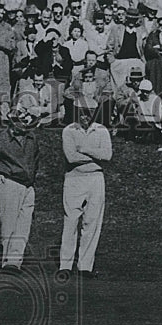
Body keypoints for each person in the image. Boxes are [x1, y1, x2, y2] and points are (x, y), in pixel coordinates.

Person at [0, 104, 40, 271]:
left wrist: (32, 177)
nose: (26, 124)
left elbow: (36, 159)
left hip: (28, 186)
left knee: (24, 225)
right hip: (10, 183)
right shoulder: (0, 140)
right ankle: (6, 260)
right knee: (9, 224)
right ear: (12, 123)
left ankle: (15, 262)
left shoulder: (31, 138)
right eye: (22, 121)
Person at [59, 96, 112, 278]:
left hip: (96, 178)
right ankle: (65, 265)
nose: (86, 118)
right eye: (82, 114)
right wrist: (96, 156)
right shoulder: (68, 131)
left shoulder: (102, 130)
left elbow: (107, 156)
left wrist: (85, 150)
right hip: (74, 178)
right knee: (71, 220)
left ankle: (85, 267)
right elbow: (71, 157)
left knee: (92, 222)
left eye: (89, 114)